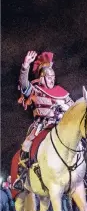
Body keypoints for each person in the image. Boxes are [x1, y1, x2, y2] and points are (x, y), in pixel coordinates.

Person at [13, 51, 74, 190]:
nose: (52, 79)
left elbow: (73, 107)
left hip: (60, 125)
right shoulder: (35, 90)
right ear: (42, 77)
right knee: (27, 145)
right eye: (48, 76)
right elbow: (23, 85)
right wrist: (25, 66)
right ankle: (22, 176)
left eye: (53, 77)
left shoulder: (62, 92)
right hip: (43, 125)